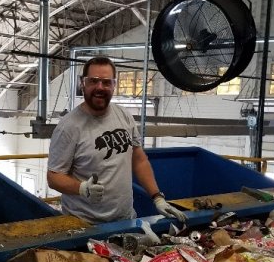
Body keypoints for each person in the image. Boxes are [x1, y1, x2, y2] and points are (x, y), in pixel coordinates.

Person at [47, 56, 188, 225]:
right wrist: (82, 188)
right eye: (93, 81)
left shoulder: (123, 115)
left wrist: (157, 197)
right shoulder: (68, 127)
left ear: (114, 85)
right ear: (83, 83)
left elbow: (139, 159)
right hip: (84, 224)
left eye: (106, 82)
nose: (100, 87)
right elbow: (54, 177)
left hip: (125, 219)